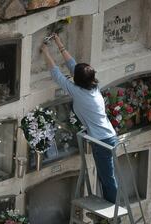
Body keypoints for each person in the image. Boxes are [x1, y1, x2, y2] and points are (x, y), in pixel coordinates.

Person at [41, 34, 118, 204]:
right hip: (108, 136)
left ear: (78, 80)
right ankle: (109, 205)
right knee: (106, 176)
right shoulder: (92, 86)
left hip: (103, 141)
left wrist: (45, 52)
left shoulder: (78, 92)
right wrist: (59, 42)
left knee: (108, 178)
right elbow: (73, 66)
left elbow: (57, 75)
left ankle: (113, 212)